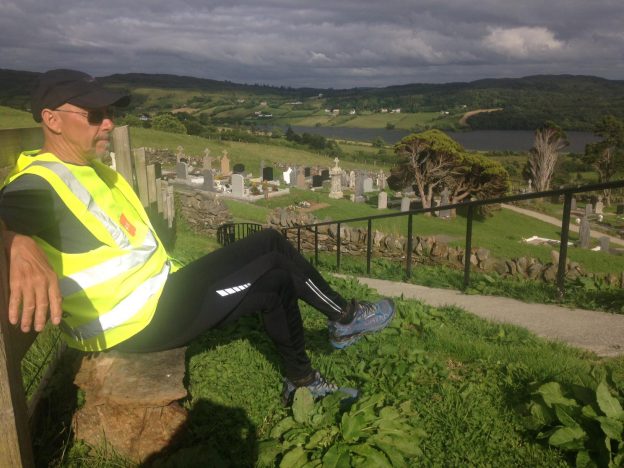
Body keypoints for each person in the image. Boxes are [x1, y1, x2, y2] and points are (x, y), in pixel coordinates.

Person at [0, 69, 395, 405]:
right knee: (271, 248)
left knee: (275, 282)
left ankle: (302, 382)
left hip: (154, 297)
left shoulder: (91, 169)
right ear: (52, 120)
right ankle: (345, 318)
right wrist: (15, 241)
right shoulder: (41, 183)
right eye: (94, 114)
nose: (109, 123)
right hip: (132, 323)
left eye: (111, 113)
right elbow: (10, 209)